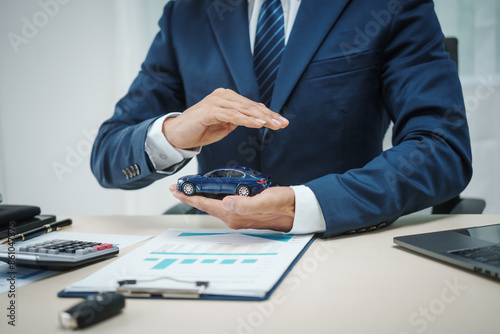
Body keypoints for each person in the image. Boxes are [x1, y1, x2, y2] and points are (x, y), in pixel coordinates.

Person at [91, 0, 472, 238]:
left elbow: (441, 148)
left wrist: (300, 206)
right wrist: (173, 134)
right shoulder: (185, 13)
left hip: (345, 242)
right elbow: (108, 154)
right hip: (219, 252)